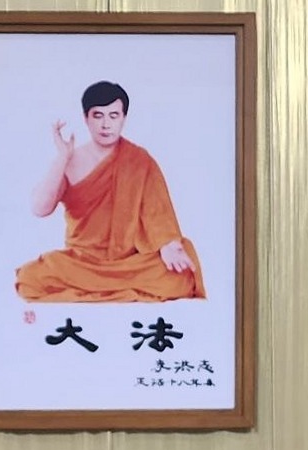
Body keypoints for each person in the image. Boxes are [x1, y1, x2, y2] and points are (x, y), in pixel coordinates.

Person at [15, 80, 206, 303]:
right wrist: (62, 157)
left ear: (124, 118)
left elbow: (158, 212)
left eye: (113, 116)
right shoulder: (70, 161)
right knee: (30, 278)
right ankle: (114, 291)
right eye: (98, 116)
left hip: (129, 263)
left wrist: (168, 245)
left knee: (182, 271)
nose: (106, 124)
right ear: (86, 118)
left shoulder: (139, 160)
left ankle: (96, 291)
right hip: (81, 263)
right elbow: (40, 208)